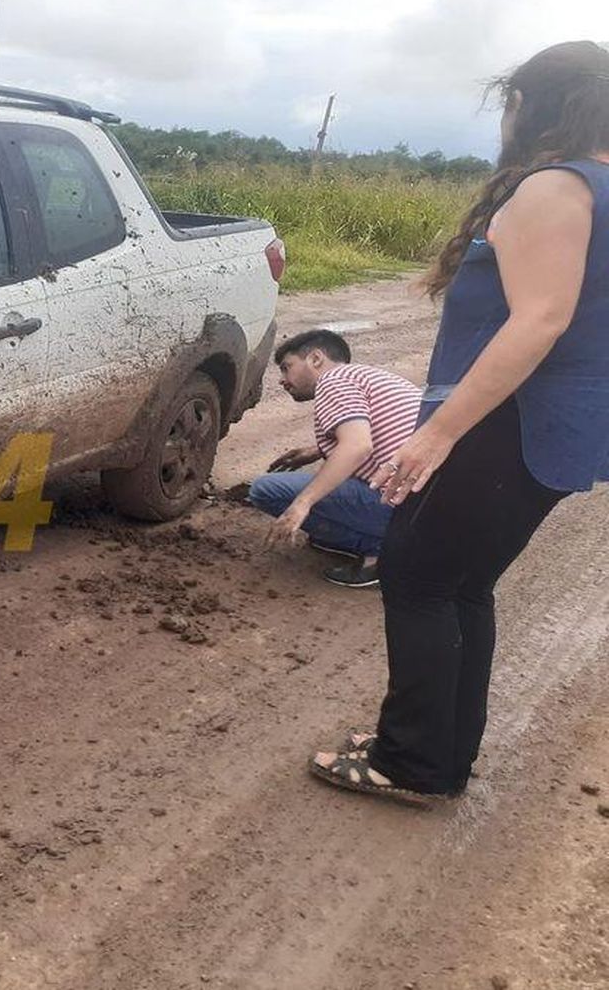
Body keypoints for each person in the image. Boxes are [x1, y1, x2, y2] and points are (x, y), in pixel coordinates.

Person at [311, 41, 609, 803]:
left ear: (535, 105)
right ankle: (437, 751)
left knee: (418, 577)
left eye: (508, 102)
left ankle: (410, 762)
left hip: (509, 420)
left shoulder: (558, 187)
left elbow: (539, 321)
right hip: (552, 424)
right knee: (464, 584)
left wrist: (438, 434)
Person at [249, 329, 421, 588]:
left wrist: (302, 504)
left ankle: (387, 553)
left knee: (266, 490)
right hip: (436, 506)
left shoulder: (333, 380)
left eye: (287, 368)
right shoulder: (367, 376)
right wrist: (317, 450)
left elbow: (357, 446)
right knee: (322, 530)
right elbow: (379, 431)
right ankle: (394, 543)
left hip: (409, 511)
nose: (282, 381)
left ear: (316, 359)